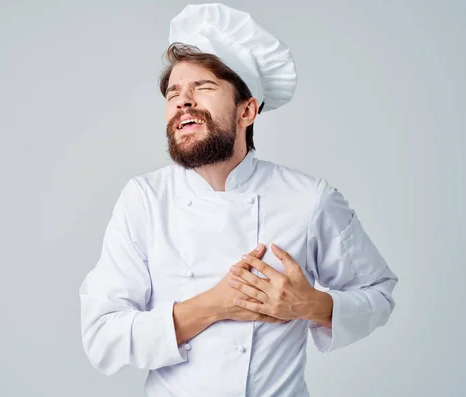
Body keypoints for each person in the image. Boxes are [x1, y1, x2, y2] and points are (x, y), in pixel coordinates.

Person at [79, 3, 398, 396]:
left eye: (203, 87)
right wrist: (215, 304)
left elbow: (379, 295)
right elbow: (101, 336)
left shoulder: (309, 200)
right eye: (174, 92)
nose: (182, 101)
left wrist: (311, 304)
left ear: (247, 111)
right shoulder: (144, 200)